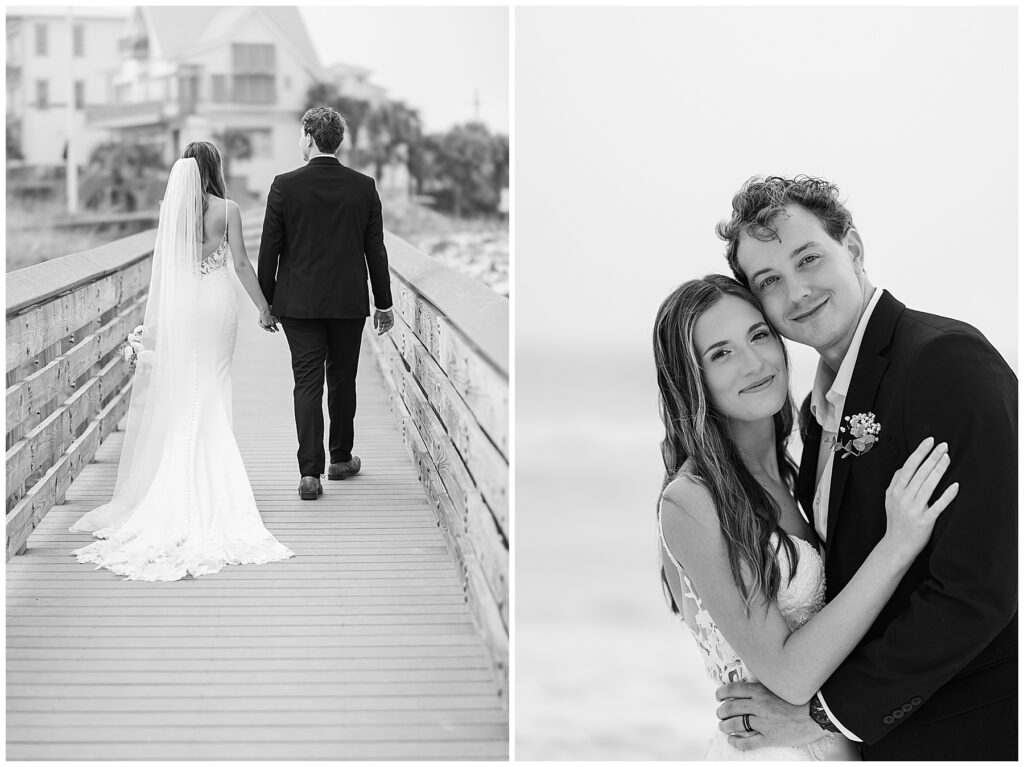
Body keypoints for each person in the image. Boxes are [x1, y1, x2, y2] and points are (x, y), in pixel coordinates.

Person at [712, 176, 1017, 760]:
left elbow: (978, 590)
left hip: (968, 736)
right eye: (770, 281)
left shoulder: (944, 363)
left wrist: (824, 718)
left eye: (809, 259)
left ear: (851, 249)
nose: (797, 291)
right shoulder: (814, 411)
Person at [654, 275, 957, 759]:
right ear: (691, 381)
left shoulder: (797, 469)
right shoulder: (691, 501)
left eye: (758, 335)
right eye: (720, 353)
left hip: (838, 743)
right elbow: (789, 675)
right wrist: (896, 548)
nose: (754, 363)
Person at [70, 142, 293, 580]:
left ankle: (176, 480)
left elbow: (165, 271)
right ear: (214, 168)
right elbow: (243, 266)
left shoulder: (172, 213)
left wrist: (152, 331)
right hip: (217, 306)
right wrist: (264, 308)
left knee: (186, 389)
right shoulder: (227, 210)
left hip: (183, 307)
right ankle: (213, 479)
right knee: (212, 385)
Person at [258, 106, 394, 501]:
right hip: (348, 302)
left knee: (307, 382)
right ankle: (340, 457)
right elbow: (376, 251)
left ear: (309, 136)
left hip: (297, 303)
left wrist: (266, 302)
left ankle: (309, 474)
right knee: (341, 378)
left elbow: (270, 251)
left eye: (301, 135)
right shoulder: (363, 186)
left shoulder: (284, 186)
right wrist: (383, 303)